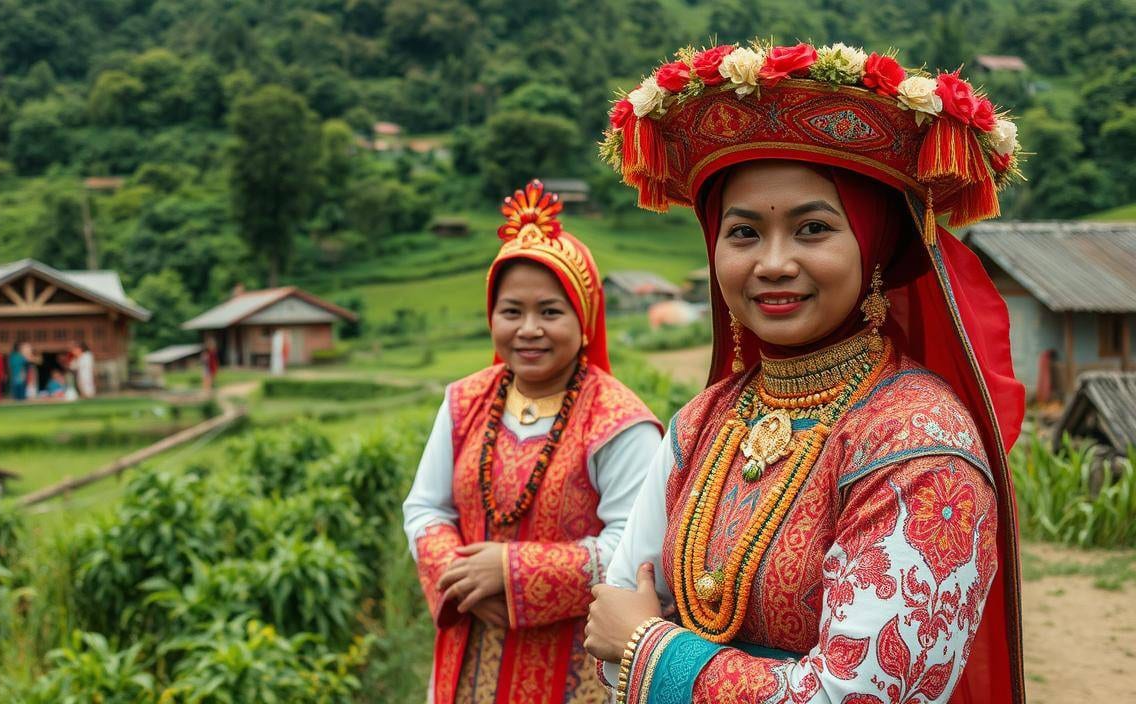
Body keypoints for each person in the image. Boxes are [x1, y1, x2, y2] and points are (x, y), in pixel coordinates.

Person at [585, 40, 1026, 704]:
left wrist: (649, 648)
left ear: (874, 247)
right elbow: (610, 624)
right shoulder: (700, 424)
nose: (773, 263)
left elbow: (856, 694)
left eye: (813, 228)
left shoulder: (920, 441)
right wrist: (632, 642)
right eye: (743, 233)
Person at [403, 181, 663, 704]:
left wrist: (509, 572)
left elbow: (631, 552)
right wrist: (464, 580)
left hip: (573, 665)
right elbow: (426, 508)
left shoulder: (620, 422)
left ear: (584, 320)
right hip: (467, 651)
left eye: (549, 311)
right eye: (511, 312)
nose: (528, 329)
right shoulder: (462, 402)